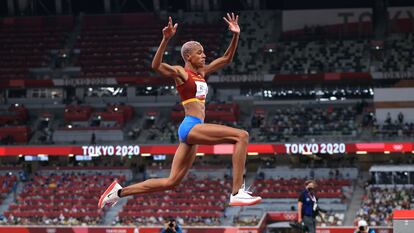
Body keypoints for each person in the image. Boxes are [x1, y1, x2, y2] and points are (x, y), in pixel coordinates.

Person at [98, 13, 261, 209]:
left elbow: (226, 58)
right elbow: (156, 66)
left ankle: (118, 192)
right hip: (190, 126)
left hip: (194, 130)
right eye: (200, 53)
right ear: (188, 56)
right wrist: (165, 39)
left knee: (172, 182)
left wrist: (235, 35)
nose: (204, 55)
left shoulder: (201, 73)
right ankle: (237, 192)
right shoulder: (181, 72)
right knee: (241, 136)